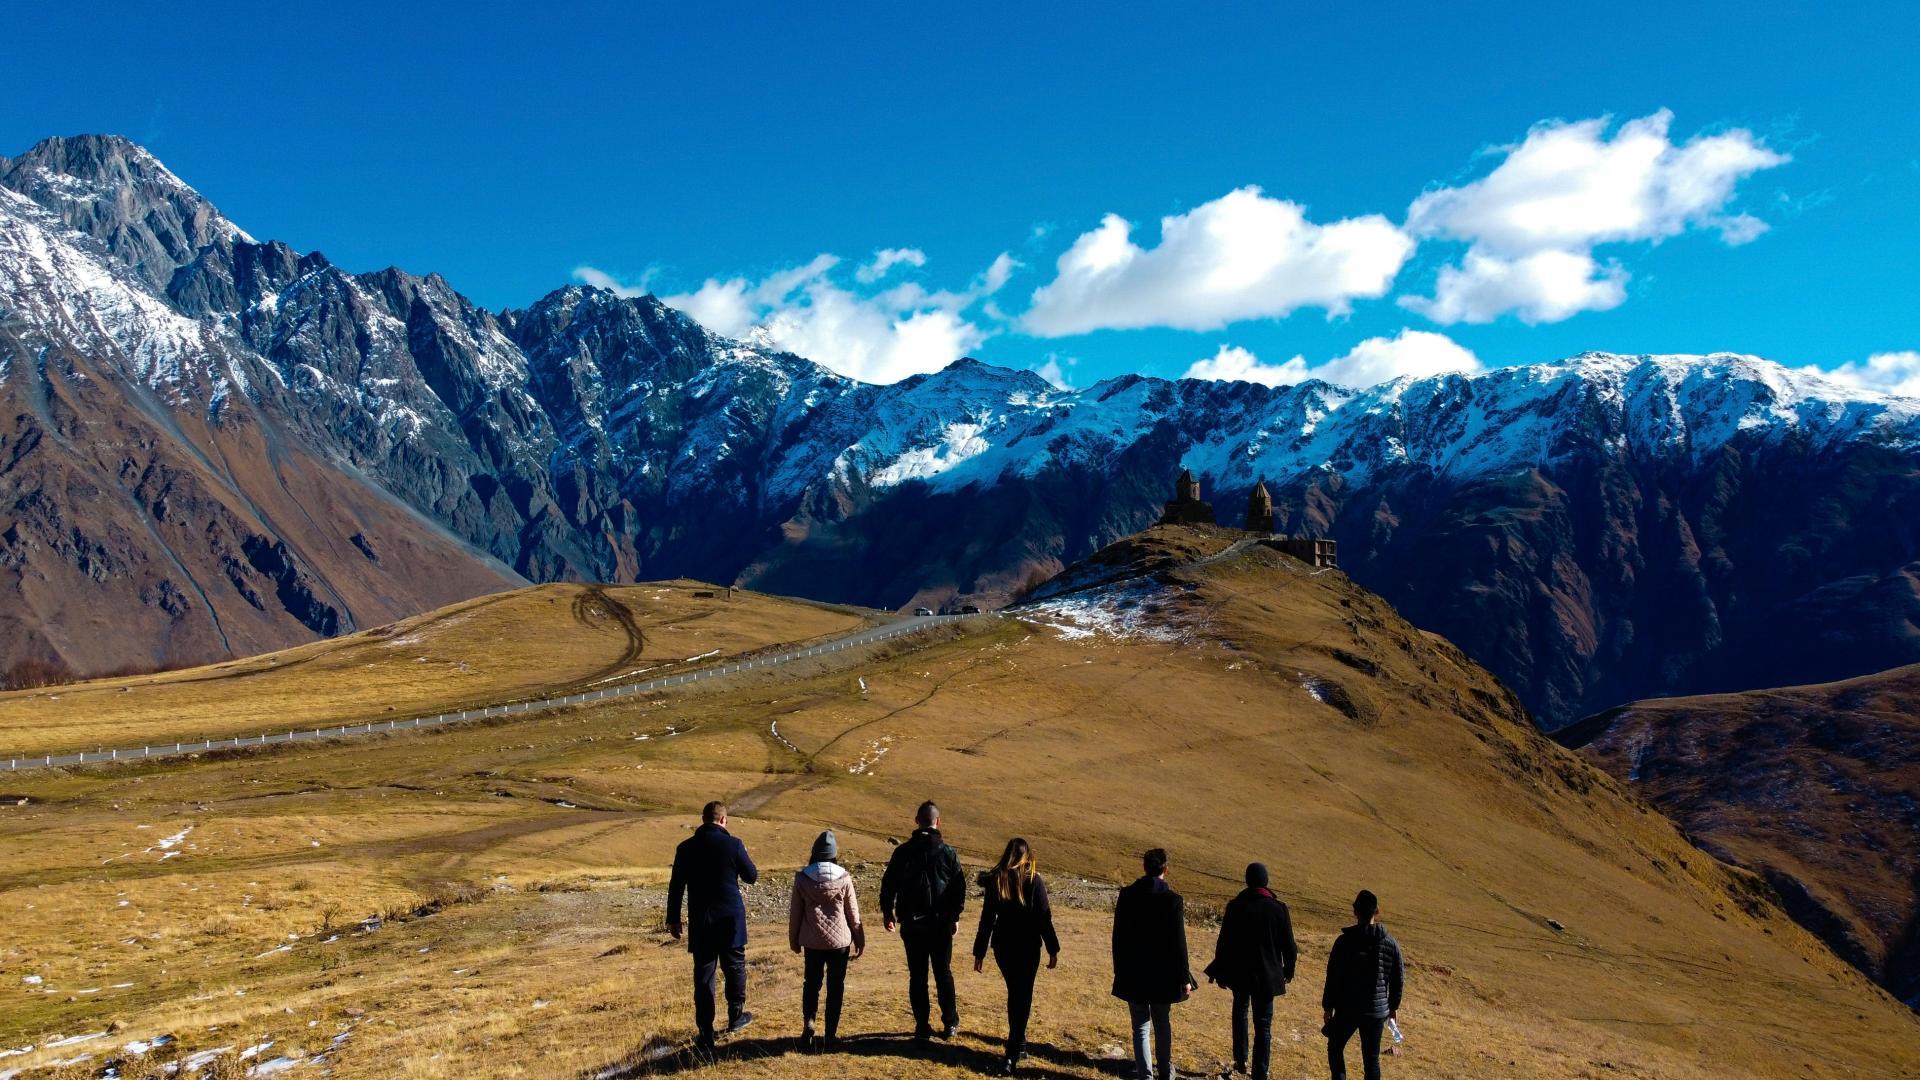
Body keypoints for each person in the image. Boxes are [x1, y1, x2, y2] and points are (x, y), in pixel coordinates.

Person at [666, 800, 760, 1051]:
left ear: (704, 818)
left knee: (704, 977)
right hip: (731, 919)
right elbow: (751, 876)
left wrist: (673, 918)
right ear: (723, 820)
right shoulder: (733, 844)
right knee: (735, 967)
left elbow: (676, 886)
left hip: (702, 920)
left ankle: (705, 1031)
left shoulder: (685, 848)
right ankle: (736, 1015)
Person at [880, 799, 967, 1042]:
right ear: (938, 822)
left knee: (917, 976)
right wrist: (954, 916)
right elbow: (959, 888)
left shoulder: (902, 852)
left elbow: (888, 885)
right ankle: (950, 1022)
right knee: (943, 973)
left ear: (917, 822)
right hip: (940, 925)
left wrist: (888, 914)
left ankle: (921, 1025)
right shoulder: (948, 853)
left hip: (912, 924)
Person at [972, 838, 1061, 1075]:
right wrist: (1053, 949)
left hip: (1004, 947)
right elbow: (1044, 917)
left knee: (1016, 993)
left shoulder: (998, 880)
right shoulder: (1033, 880)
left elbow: (987, 920)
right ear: (1026, 856)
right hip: (1028, 947)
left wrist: (979, 952)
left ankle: (1019, 1043)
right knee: (1022, 996)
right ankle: (1012, 1054)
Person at [1203, 863, 1298, 1080]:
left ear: (1247, 881)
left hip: (1240, 974)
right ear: (1266, 882)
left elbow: (1224, 942)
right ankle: (1261, 1071)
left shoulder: (1236, 906)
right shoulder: (1278, 909)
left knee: (1240, 1013)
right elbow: (1289, 946)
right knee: (1263, 1024)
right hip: (1267, 976)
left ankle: (1241, 1059)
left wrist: (1220, 970)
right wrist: (1288, 970)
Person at [1112, 848, 1196, 1080]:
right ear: (1165, 869)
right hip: (1164, 975)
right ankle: (1165, 1069)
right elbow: (1179, 944)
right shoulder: (1172, 901)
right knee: (1162, 1022)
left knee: (1140, 1026)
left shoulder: (1127, 895)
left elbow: (1118, 937)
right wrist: (1184, 979)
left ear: (1144, 867)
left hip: (1133, 971)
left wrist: (1119, 970)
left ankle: (1145, 1075)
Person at [789, 829, 865, 1051]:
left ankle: (809, 1023)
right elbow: (853, 913)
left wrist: (794, 940)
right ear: (834, 854)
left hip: (812, 942)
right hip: (839, 942)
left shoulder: (803, 878)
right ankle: (831, 1033)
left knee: (811, 984)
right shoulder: (844, 877)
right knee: (836, 986)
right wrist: (859, 940)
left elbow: (795, 913)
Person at [1321, 890, 1404, 1080]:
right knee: (1371, 1059)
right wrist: (1393, 1007)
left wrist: (1328, 1006)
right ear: (1376, 911)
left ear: (1355, 911)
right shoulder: (1391, 944)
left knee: (1335, 1047)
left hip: (1347, 1009)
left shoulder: (1343, 942)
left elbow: (1333, 977)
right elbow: (1398, 979)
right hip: (1376, 1012)